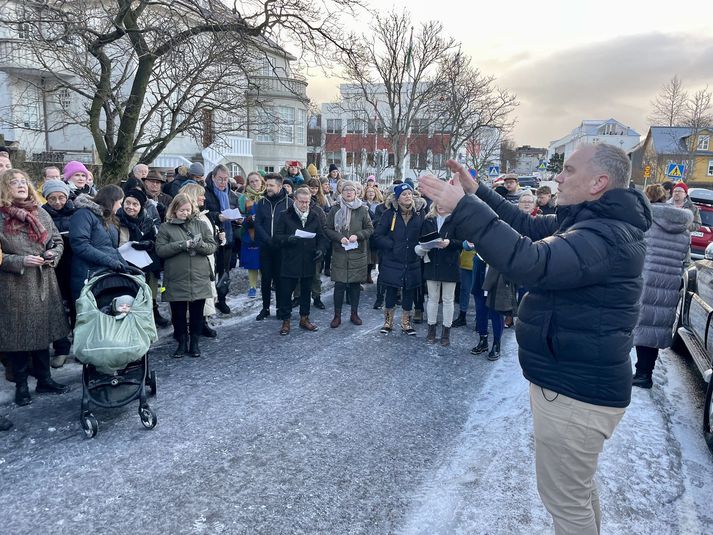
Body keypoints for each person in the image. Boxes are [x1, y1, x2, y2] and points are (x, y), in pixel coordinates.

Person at [418, 143, 652, 535]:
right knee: (575, 494)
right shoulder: (589, 221)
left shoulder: (604, 236)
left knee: (566, 502)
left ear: (599, 182)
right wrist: (478, 193)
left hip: (577, 394)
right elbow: (524, 227)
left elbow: (530, 262)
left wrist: (463, 209)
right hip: (574, 385)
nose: (558, 176)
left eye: (569, 170)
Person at [0, 169, 71, 407]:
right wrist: (20, 261)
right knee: (17, 337)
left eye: (23, 181)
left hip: (43, 280)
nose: (20, 185)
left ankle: (45, 379)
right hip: (14, 285)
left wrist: (52, 253)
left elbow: (57, 240)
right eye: (14, 182)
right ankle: (21, 385)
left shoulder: (40, 212)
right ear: (4, 188)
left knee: (42, 332)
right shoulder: (0, 216)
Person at [632, 184, 692, 389]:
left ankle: (638, 373)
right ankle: (645, 373)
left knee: (640, 325)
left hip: (646, 280)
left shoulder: (646, 223)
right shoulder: (684, 229)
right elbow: (686, 260)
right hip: (670, 283)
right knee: (656, 327)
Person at [156, 193, 217, 358]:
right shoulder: (166, 227)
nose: (184, 213)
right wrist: (183, 245)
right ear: (174, 210)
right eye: (181, 210)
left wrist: (199, 245)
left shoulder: (200, 224)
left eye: (187, 210)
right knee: (178, 314)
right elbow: (160, 250)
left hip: (199, 275)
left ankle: (195, 343)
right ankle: (182, 342)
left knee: (197, 313)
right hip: (176, 277)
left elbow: (212, 247)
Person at [373, 182, 428, 335]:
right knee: (391, 290)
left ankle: (406, 323)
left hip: (412, 260)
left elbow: (424, 233)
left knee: (409, 291)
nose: (408, 196)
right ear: (397, 198)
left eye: (410, 194)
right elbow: (378, 236)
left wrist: (422, 246)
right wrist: (392, 245)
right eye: (404, 194)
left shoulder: (419, 214)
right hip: (392, 260)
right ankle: (388, 322)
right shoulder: (389, 214)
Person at [273, 187, 325, 335]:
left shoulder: (314, 215)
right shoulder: (285, 215)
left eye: (307, 202)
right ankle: (286, 321)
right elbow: (276, 237)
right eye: (301, 202)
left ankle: (304, 318)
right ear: (295, 200)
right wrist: (287, 239)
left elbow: (321, 236)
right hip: (289, 260)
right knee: (286, 292)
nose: (304, 205)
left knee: (305, 291)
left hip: (308, 259)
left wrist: (321, 249)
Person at [116, 188, 169, 328]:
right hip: (124, 264)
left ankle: (153, 311)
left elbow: (156, 241)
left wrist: (149, 244)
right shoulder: (116, 220)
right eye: (128, 203)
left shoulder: (147, 221)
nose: (130, 207)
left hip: (146, 263)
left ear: (141, 207)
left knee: (150, 290)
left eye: (135, 204)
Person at [324, 181, 374, 327]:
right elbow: (327, 228)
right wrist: (340, 238)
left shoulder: (362, 209)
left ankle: (354, 313)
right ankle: (337, 316)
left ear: (356, 193)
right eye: (345, 190)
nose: (348, 192)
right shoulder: (335, 209)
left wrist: (358, 235)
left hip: (357, 253)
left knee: (354, 285)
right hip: (340, 252)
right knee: (339, 285)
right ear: (341, 192)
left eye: (351, 190)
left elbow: (370, 229)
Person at [69, 185, 127, 301]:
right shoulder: (83, 214)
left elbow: (110, 248)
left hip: (105, 272)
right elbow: (80, 245)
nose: (120, 206)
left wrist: (124, 265)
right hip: (88, 273)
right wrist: (111, 262)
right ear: (111, 201)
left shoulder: (108, 219)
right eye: (119, 202)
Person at [415, 202, 461, 346]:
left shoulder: (456, 220)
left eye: (444, 202)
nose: (441, 205)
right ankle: (431, 330)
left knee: (448, 300)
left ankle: (446, 333)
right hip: (432, 262)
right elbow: (421, 239)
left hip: (450, 264)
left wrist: (450, 243)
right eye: (438, 202)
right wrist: (424, 247)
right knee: (432, 299)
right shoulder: (428, 220)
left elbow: (462, 242)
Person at [41, 180, 76, 367]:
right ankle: (61, 347)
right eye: (52, 198)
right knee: (57, 308)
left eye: (61, 197)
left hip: (74, 264)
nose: (57, 202)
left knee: (77, 304)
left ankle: (80, 345)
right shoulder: (41, 213)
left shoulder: (76, 211)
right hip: (53, 266)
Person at [179, 183, 220, 338]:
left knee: (205, 293)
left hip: (207, 257)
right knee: (194, 294)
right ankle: (189, 327)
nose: (204, 197)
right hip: (195, 260)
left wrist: (217, 237)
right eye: (200, 195)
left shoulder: (203, 215)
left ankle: (202, 322)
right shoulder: (188, 217)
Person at [254, 173, 293, 320]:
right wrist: (267, 240)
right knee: (266, 279)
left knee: (280, 279)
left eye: (271, 185)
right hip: (266, 247)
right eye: (267, 185)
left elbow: (291, 225)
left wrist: (280, 240)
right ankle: (265, 308)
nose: (268, 188)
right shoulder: (262, 202)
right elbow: (258, 224)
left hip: (282, 247)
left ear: (279, 186)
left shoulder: (289, 203)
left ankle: (280, 308)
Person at [203, 164, 240, 314]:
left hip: (228, 238)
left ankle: (222, 300)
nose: (222, 182)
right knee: (210, 272)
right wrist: (217, 216)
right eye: (220, 179)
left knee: (225, 271)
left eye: (225, 179)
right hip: (211, 238)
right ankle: (210, 301)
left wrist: (237, 220)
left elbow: (235, 212)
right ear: (213, 177)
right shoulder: (206, 193)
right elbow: (202, 213)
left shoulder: (232, 195)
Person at [236, 172, 264, 299]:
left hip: (265, 233)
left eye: (256, 180)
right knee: (252, 262)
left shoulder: (266, 195)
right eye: (251, 181)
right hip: (250, 233)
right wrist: (248, 219)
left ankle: (265, 284)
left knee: (264, 261)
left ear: (261, 181)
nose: (254, 183)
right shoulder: (243, 198)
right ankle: (252, 287)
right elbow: (240, 215)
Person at [363, 185, 383, 284]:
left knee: (373, 256)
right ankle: (364, 274)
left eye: (372, 191)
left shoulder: (378, 205)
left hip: (374, 232)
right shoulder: (362, 204)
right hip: (365, 231)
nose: (371, 193)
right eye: (368, 191)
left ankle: (369, 274)